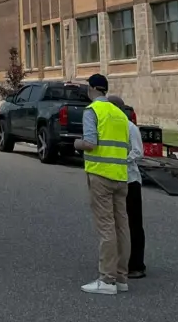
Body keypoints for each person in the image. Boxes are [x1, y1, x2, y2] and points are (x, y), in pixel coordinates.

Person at [73, 74, 131, 294]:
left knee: (106, 227)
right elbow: (125, 145)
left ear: (90, 89)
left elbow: (90, 142)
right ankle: (121, 277)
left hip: (100, 175)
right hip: (120, 175)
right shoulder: (120, 113)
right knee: (121, 227)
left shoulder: (92, 111)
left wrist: (76, 144)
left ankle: (107, 280)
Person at [107, 95, 146, 279]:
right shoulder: (109, 128)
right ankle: (120, 261)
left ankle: (137, 264)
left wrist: (120, 161)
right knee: (117, 223)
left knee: (133, 223)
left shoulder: (130, 128)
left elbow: (138, 152)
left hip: (130, 180)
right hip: (113, 179)